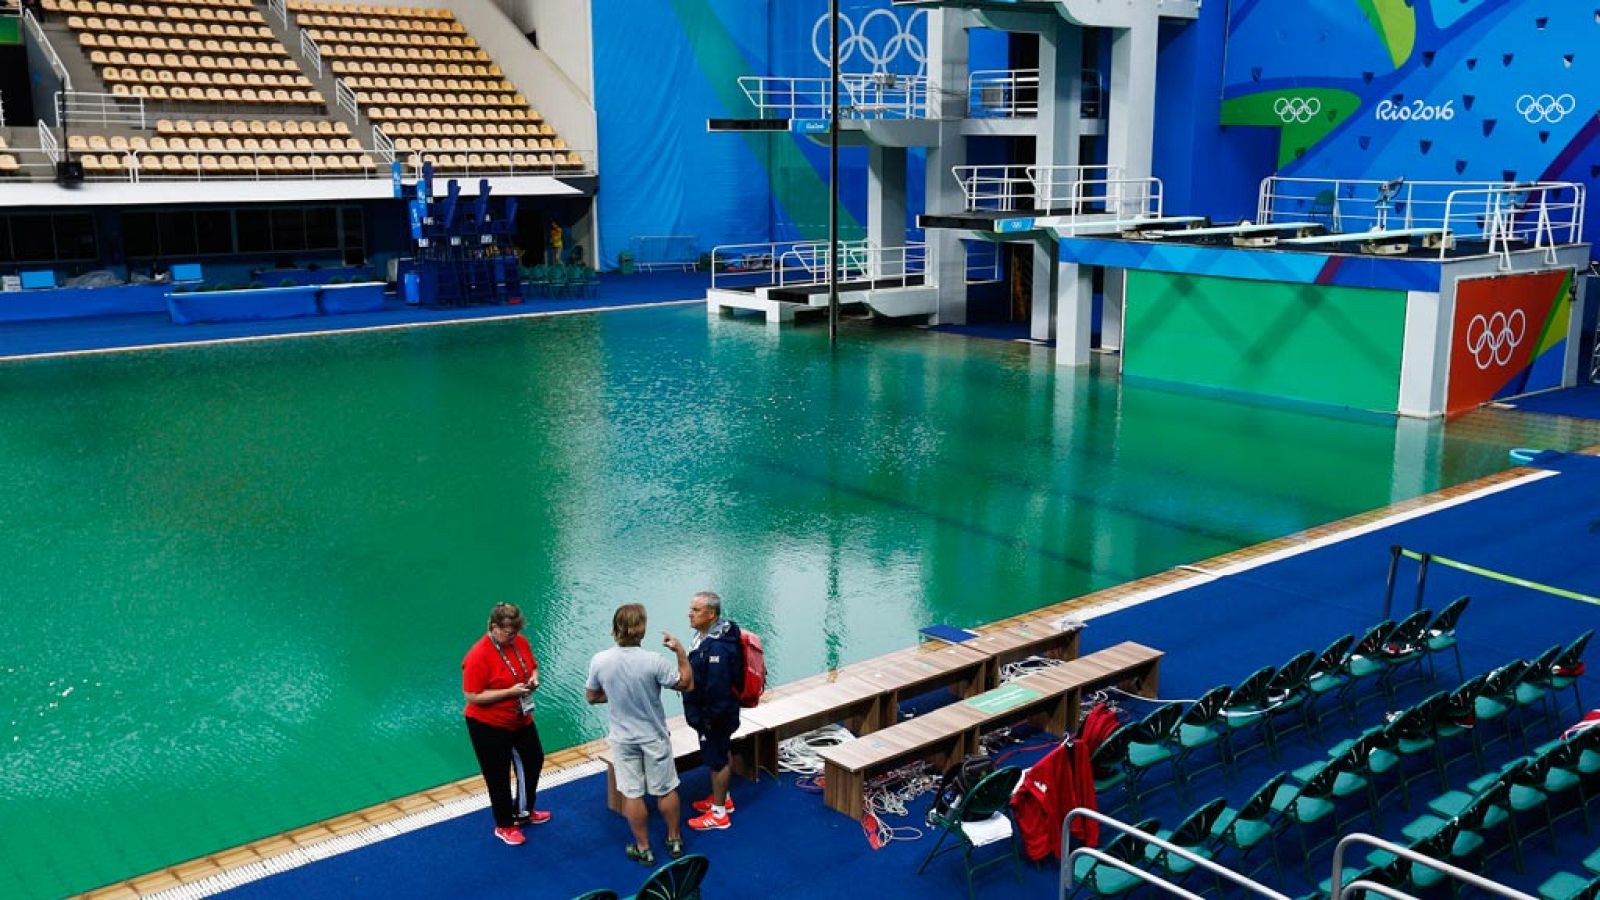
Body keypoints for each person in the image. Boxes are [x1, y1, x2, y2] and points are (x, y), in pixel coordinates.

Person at [586, 603, 694, 865]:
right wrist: (680, 652)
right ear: (642, 631)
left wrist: (615, 696)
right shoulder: (654, 661)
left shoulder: (600, 660)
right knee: (665, 789)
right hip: (654, 736)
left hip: (623, 739)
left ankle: (643, 848)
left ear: (614, 630)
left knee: (632, 793)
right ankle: (674, 839)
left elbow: (591, 697)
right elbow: (686, 683)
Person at [461, 602, 550, 846]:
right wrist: (508, 692)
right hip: (487, 724)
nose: (513, 638)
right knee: (498, 775)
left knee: (534, 759)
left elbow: (532, 666)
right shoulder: (477, 655)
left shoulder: (520, 642)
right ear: (494, 627)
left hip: (520, 717)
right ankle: (504, 825)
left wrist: (533, 679)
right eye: (508, 633)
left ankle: (523, 811)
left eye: (516, 632)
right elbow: (472, 695)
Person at [683, 591, 744, 831]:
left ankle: (719, 815)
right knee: (721, 752)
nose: (690, 613)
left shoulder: (717, 647)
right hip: (719, 714)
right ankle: (723, 799)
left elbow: (717, 688)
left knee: (716, 761)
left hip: (715, 716)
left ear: (711, 614)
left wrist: (707, 720)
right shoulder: (708, 636)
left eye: (696, 610)